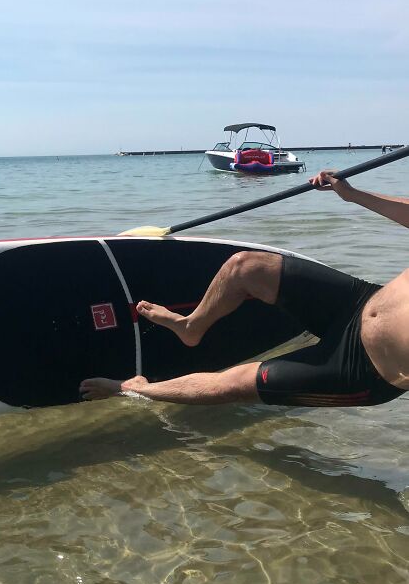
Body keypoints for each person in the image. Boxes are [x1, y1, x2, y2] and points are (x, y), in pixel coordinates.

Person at [80, 170, 409, 408]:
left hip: (364, 370)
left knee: (231, 385)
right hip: (360, 303)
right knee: (246, 266)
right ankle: (191, 326)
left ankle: (133, 388)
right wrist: (351, 194)